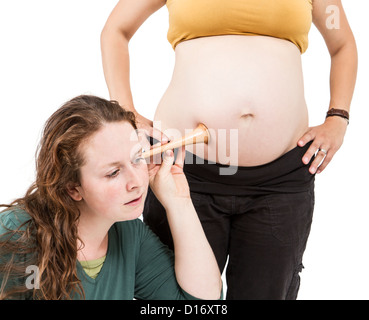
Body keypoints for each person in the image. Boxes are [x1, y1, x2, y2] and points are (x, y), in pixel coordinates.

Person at [100, 0, 357, 299]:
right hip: (184, 175)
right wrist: (125, 109)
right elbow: (116, 30)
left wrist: (338, 117)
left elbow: (342, 44)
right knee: (177, 299)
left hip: (279, 180)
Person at [0, 95, 222, 300]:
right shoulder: (14, 234)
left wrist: (179, 203)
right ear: (73, 188)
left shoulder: (131, 236)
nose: (136, 182)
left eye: (138, 158)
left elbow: (203, 303)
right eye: (113, 173)